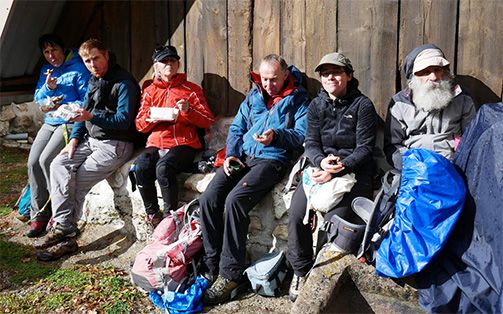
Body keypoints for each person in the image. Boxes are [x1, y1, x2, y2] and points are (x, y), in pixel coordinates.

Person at [199, 54, 310, 304]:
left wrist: (277, 136)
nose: (268, 85)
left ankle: (231, 275)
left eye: (273, 79)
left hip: (272, 159)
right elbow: (237, 128)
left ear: (284, 76)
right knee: (208, 198)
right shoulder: (254, 96)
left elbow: (302, 135)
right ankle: (211, 265)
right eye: (264, 79)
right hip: (244, 157)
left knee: (235, 201)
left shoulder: (298, 99)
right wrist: (230, 155)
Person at [33, 39, 141, 261]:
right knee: (58, 164)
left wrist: (91, 117)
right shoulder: (94, 80)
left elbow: (123, 120)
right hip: (92, 141)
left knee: (76, 181)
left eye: (96, 58)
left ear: (106, 56)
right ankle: (65, 227)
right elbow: (83, 111)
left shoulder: (124, 83)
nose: (93, 64)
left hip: (116, 144)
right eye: (87, 60)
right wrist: (74, 139)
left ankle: (66, 235)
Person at [286, 52, 378, 301]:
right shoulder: (316, 105)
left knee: (335, 222)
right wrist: (320, 162)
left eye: (336, 72)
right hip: (322, 170)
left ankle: (325, 276)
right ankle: (301, 270)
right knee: (296, 215)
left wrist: (342, 166)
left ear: (348, 75)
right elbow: (311, 143)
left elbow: (365, 148)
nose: (330, 78)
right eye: (325, 73)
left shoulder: (363, 106)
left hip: (354, 173)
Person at [134, 45, 214, 227]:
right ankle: (153, 215)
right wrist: (152, 116)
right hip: (156, 142)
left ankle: (170, 218)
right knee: (141, 167)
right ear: (156, 66)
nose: (169, 64)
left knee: (163, 168)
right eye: (164, 61)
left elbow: (207, 120)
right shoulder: (149, 91)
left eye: (172, 60)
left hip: (184, 143)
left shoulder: (191, 89)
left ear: (178, 64)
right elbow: (139, 125)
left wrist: (188, 110)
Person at [26, 34, 90, 237]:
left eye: (54, 50)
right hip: (50, 122)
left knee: (46, 161)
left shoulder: (79, 67)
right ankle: (38, 214)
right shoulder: (47, 70)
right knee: (33, 162)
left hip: (69, 123)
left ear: (63, 49)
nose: (51, 55)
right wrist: (49, 88)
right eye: (46, 52)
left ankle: (56, 211)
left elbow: (88, 98)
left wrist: (65, 106)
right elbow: (38, 97)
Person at [384, 44, 476, 170]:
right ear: (414, 77)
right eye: (426, 72)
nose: (433, 77)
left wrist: (457, 165)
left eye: (437, 70)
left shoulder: (462, 99)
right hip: (414, 169)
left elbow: (472, 140)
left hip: (452, 167)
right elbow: (392, 146)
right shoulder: (399, 103)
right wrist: (412, 166)